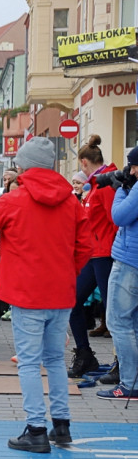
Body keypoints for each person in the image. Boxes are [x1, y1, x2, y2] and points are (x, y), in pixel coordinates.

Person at [0, 137, 92, 453]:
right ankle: (62, 425)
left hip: (26, 294)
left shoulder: (13, 200)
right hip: (60, 293)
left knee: (29, 363)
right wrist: (65, 273)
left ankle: (36, 429)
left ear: (24, 166)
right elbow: (85, 246)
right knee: (56, 359)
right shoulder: (71, 201)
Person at [66, 135, 118, 378]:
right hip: (93, 252)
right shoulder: (97, 184)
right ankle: (85, 355)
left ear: (85, 163)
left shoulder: (106, 185)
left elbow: (115, 220)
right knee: (73, 300)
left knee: (114, 310)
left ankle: (123, 362)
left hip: (106, 253)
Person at [98, 146, 138, 399]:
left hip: (129, 261)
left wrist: (120, 190)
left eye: (134, 166)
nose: (132, 171)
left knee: (119, 323)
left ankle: (129, 383)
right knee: (133, 324)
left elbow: (119, 216)